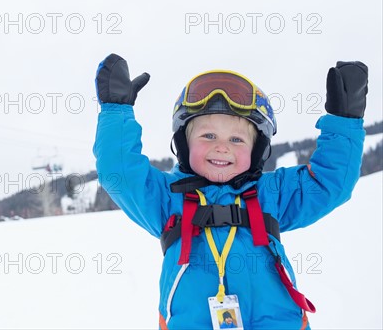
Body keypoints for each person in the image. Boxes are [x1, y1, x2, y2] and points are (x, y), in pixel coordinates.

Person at [93, 54, 368, 329]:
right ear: (184, 144)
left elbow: (329, 182)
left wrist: (344, 121)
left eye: (236, 139)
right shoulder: (167, 197)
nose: (221, 147)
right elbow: (120, 173)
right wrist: (116, 112)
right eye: (208, 136)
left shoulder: (271, 193)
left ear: (257, 149)